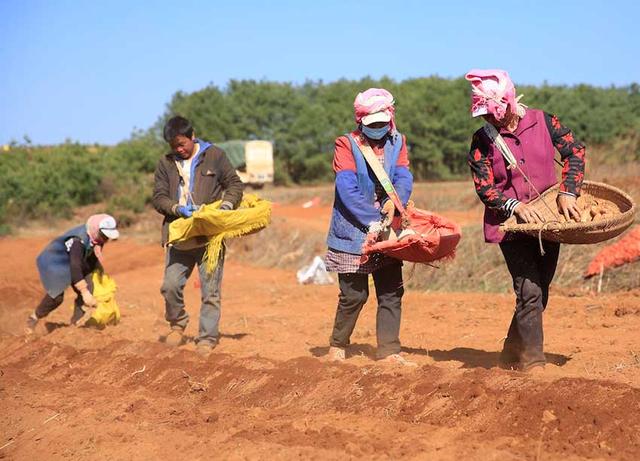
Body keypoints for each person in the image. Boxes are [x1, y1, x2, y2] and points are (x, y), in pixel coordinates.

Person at [464, 69, 586, 372]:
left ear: (507, 101)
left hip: (548, 222)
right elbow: (485, 187)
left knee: (540, 291)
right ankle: (533, 361)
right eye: (485, 116)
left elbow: (575, 152)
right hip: (510, 227)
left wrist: (568, 191)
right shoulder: (481, 140)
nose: (489, 120)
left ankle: (510, 351)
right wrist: (513, 205)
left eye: (493, 113)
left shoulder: (545, 121)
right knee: (528, 291)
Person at [325, 88, 415, 366]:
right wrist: (370, 218)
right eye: (371, 124)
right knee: (354, 295)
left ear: (390, 119)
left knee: (391, 291)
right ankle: (338, 344)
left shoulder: (398, 142)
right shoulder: (346, 144)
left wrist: (394, 202)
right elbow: (346, 187)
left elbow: (402, 175)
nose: (377, 129)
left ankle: (389, 351)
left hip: (388, 226)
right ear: (360, 121)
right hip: (353, 228)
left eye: (381, 124)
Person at [152, 116, 243, 356]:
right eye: (174, 146)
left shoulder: (215, 155)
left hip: (210, 238)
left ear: (192, 136)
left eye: (182, 144)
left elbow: (234, 184)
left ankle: (207, 338)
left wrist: (227, 206)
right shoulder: (165, 163)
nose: (179, 150)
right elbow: (159, 197)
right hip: (179, 236)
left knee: (210, 291)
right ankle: (178, 323)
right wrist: (176, 208)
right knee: (170, 286)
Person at [26, 214, 119, 333]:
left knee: (90, 285)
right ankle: (33, 318)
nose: (105, 239)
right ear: (96, 229)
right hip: (55, 261)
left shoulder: (96, 236)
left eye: (107, 237)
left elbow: (89, 256)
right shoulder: (78, 240)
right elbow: (75, 267)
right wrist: (84, 292)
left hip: (73, 259)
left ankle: (76, 324)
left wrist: (98, 269)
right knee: (57, 297)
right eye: (104, 236)